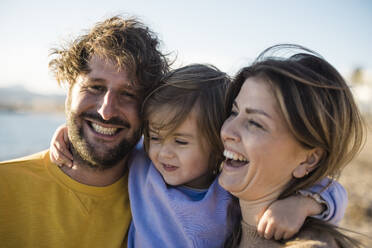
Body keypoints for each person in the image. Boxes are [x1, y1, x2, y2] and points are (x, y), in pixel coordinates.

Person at [51, 64, 348, 247]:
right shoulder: (144, 164)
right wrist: (72, 135)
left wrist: (301, 205)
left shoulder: (228, 189)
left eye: (181, 141)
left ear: (215, 142)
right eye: (155, 137)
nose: (163, 152)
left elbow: (334, 191)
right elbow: (109, 140)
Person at [0, 16, 168, 248]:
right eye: (95, 87)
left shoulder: (162, 197)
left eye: (128, 94)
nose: (107, 111)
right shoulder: (5, 187)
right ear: (69, 91)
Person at [219, 44, 366, 247]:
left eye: (255, 123)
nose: (226, 131)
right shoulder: (225, 223)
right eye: (234, 113)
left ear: (308, 159)